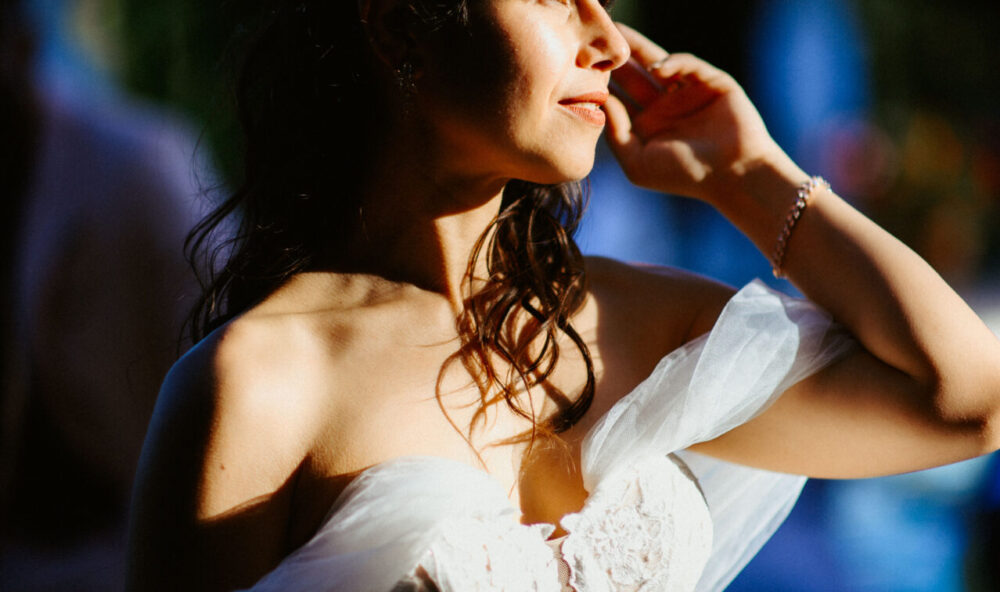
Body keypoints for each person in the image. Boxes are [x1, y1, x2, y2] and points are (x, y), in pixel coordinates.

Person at [126, 1, 1000, 590]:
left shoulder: (637, 324)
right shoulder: (259, 383)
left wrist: (749, 176)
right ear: (398, 27)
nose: (609, 40)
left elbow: (965, 402)